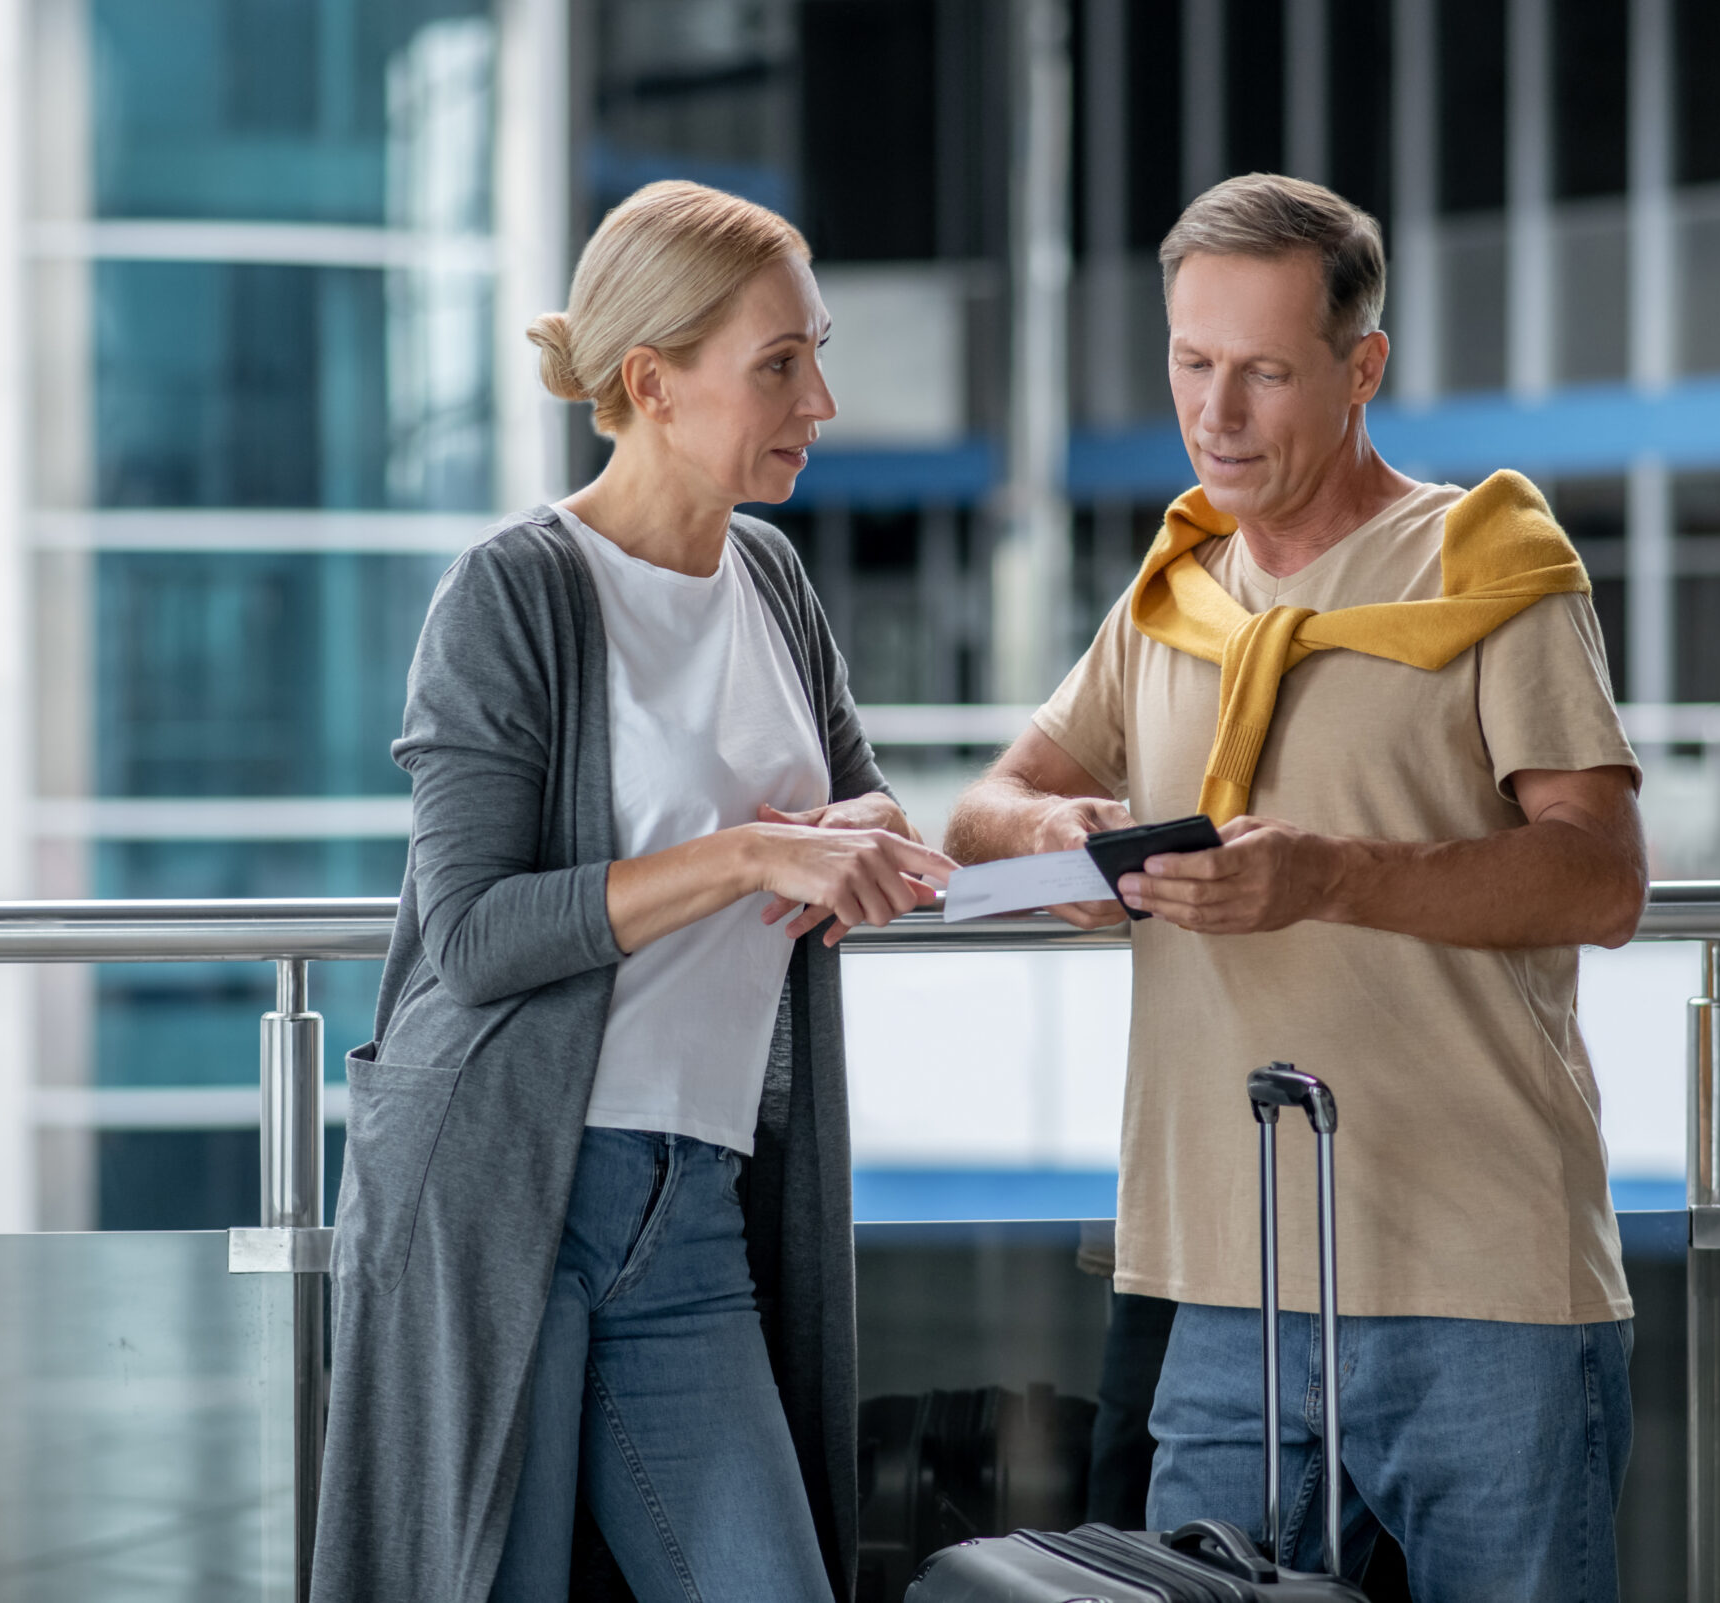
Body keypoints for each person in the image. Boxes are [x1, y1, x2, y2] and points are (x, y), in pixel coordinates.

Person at [947, 173, 1648, 1600]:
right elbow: (980, 808)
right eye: (1193, 365)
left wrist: (1328, 872)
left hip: (1488, 1285)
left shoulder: (1491, 565)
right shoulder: (1173, 590)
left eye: (1265, 372)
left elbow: (1601, 878)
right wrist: (1059, 845)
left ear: (1363, 367)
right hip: (1229, 1290)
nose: (1218, 413)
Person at [315, 180, 954, 1603]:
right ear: (652, 383)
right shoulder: (510, 596)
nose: (821, 400)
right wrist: (747, 855)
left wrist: (867, 842)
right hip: (507, 1203)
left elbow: (861, 795)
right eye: (779, 364)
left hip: (698, 1207)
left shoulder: (773, 579)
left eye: (817, 353)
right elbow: (472, 940)